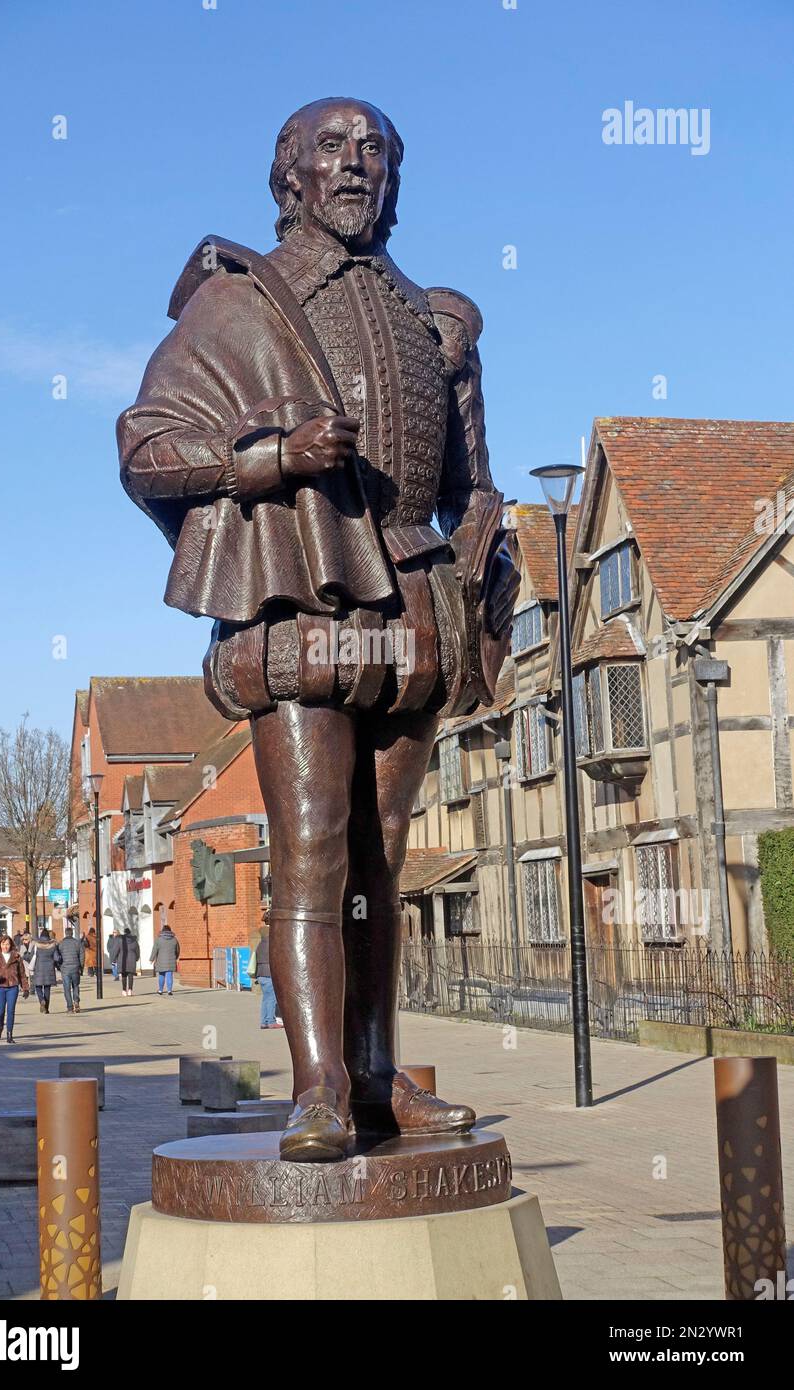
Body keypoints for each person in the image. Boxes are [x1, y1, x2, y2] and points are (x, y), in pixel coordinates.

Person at [117, 97, 519, 1159]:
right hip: (300, 597)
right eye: (332, 149)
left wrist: (486, 537)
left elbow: (469, 484)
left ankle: (379, 1073)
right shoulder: (239, 301)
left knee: (380, 859)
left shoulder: (433, 319)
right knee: (309, 853)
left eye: (373, 151)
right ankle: (316, 1089)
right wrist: (267, 458)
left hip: (414, 610)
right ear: (289, 174)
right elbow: (146, 448)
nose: (356, 166)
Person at [0, 935, 29, 1043]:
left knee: (11, 1011)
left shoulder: (16, 956)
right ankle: (0, 1027)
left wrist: (25, 988)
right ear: (0, 944)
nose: (6, 946)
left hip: (12, 987)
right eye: (4, 944)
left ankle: (9, 1034)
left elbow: (22, 974)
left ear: (11, 945)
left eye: (8, 944)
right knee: (0, 1011)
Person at [251, 923, 281, 1029]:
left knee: (266, 998)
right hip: (269, 974)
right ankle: (271, 1022)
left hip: (260, 975)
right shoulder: (272, 944)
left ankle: (263, 1022)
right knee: (272, 998)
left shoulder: (259, 944)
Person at [54, 927, 86, 1013]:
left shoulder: (61, 944)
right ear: (72, 933)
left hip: (65, 969)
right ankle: (76, 1001)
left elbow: (57, 957)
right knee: (75, 986)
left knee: (67, 988)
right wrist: (81, 967)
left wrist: (59, 966)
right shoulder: (77, 943)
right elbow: (82, 956)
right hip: (75, 967)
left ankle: (70, 1007)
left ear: (65, 933)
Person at [27, 929, 58, 1013]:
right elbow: (56, 958)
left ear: (41, 936)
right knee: (47, 988)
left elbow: (31, 957)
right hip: (49, 970)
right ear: (48, 936)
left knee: (38, 987)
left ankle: (41, 1000)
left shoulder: (36, 945)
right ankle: (46, 1009)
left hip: (39, 968)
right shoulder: (53, 945)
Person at [150, 924, 180, 996]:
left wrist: (152, 959)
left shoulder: (158, 940)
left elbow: (154, 950)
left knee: (161, 975)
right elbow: (178, 950)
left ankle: (160, 990)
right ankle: (169, 990)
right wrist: (175, 957)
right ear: (170, 931)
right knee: (169, 975)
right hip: (171, 960)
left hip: (161, 961)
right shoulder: (174, 939)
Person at [110, 927, 140, 996]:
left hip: (122, 959)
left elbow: (116, 950)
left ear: (124, 932)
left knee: (124, 975)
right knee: (130, 975)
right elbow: (137, 950)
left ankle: (124, 990)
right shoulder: (134, 940)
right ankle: (130, 990)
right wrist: (137, 958)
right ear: (130, 933)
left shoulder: (120, 940)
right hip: (132, 959)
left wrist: (113, 959)